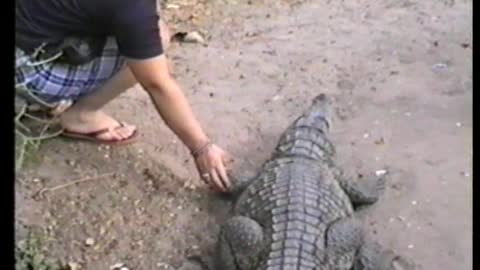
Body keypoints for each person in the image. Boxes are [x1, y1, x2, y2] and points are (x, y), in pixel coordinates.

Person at [15, 0, 232, 192]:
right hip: (25, 70)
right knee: (154, 55)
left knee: (154, 33)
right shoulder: (133, 6)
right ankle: (82, 115)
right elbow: (157, 84)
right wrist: (201, 148)